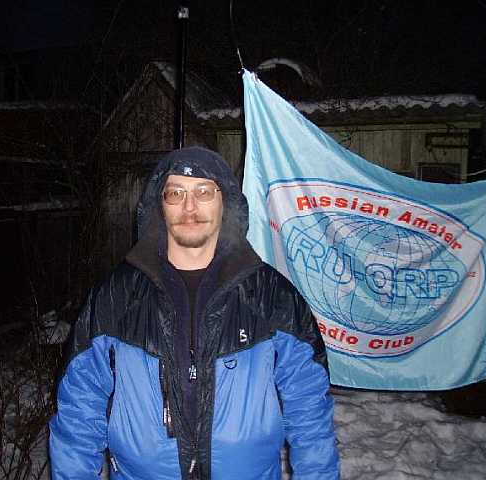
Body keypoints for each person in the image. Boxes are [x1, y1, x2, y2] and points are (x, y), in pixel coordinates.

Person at [49, 146, 340, 480]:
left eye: (203, 192)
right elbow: (78, 414)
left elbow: (310, 413)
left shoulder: (272, 296)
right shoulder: (117, 296)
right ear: (159, 204)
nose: (189, 207)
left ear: (225, 201)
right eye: (176, 193)